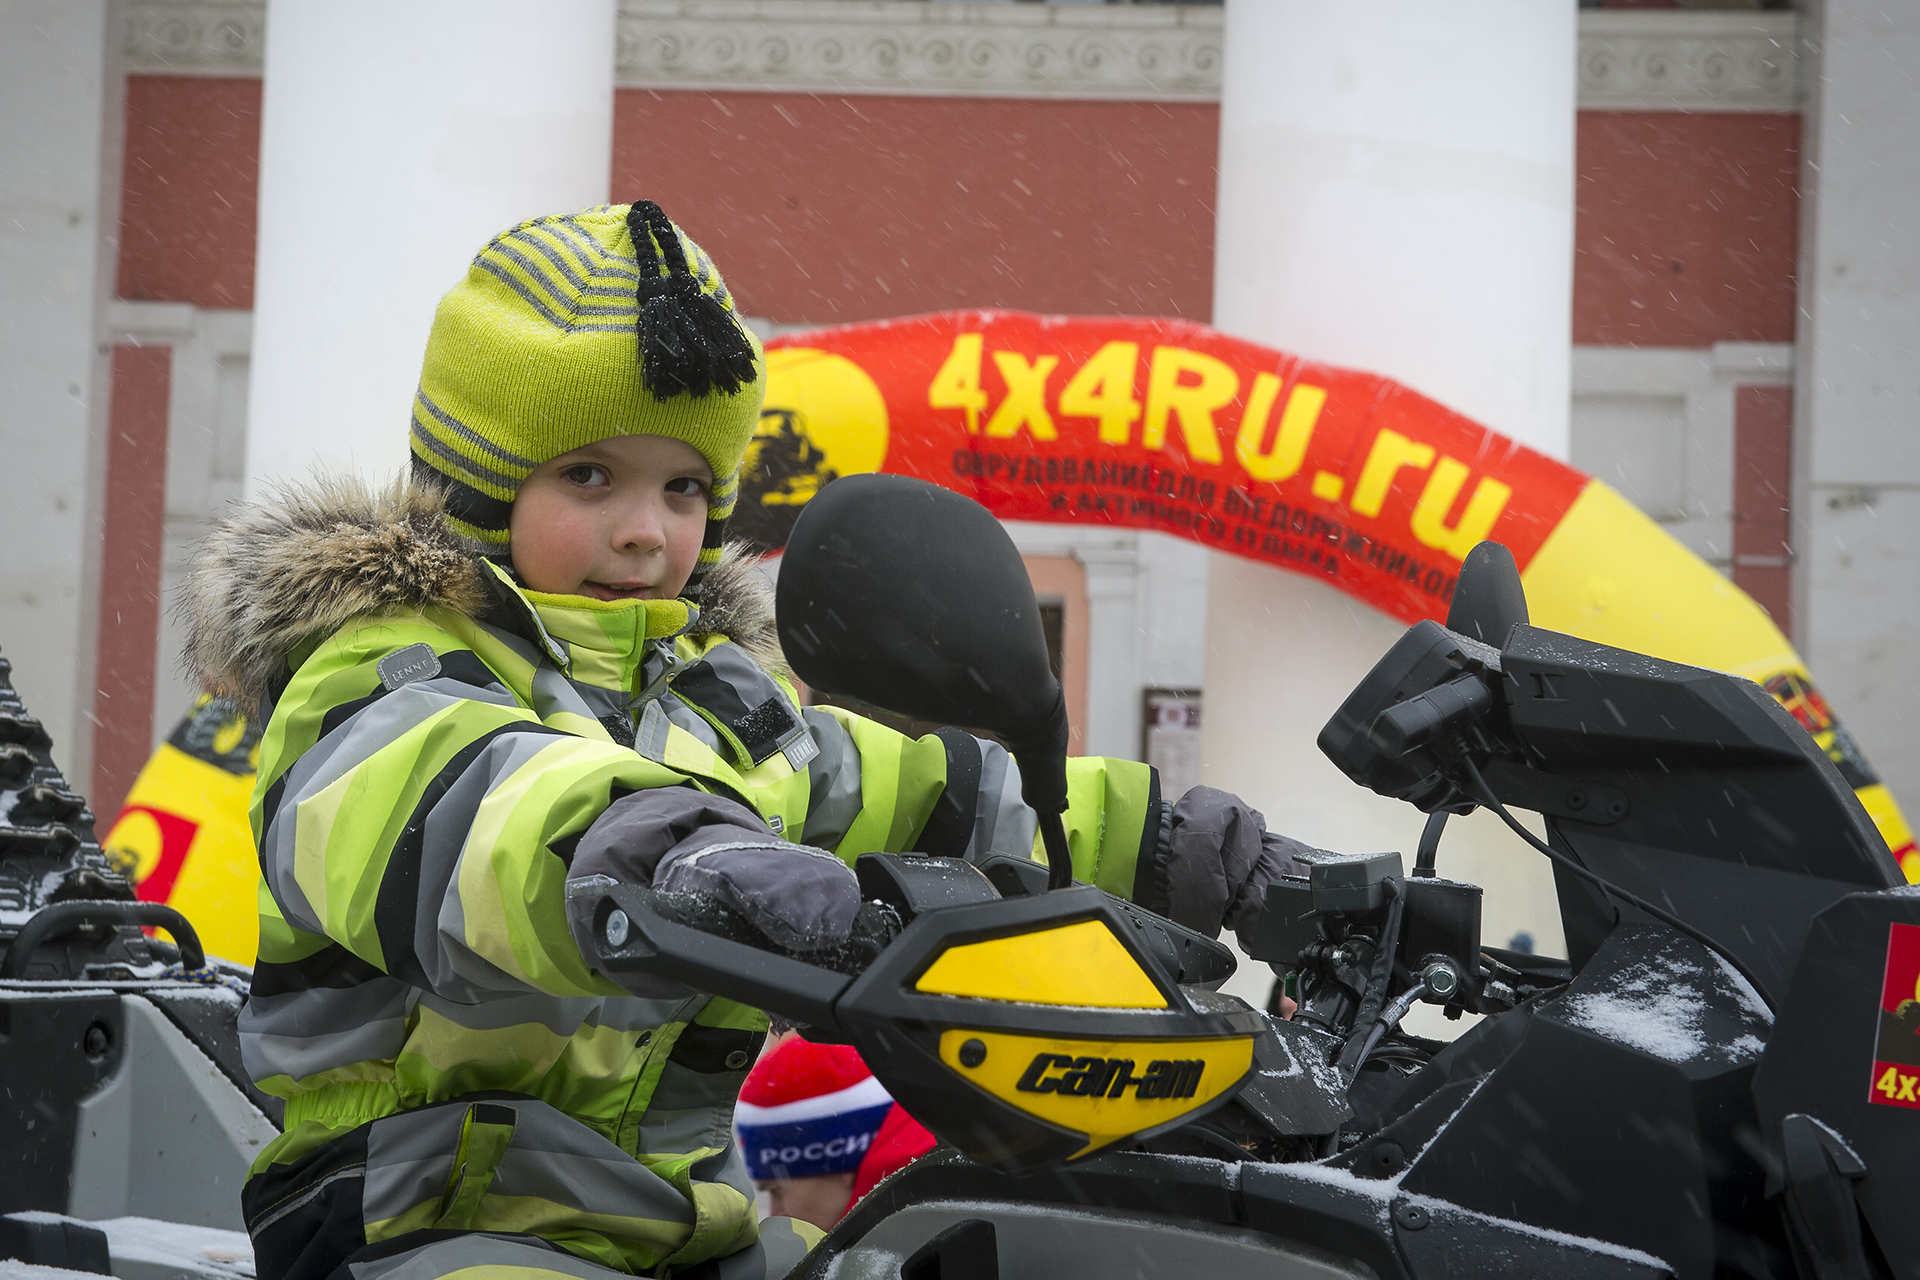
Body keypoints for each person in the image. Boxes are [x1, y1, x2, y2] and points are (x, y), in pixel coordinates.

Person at [185, 200, 1304, 1280]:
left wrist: (1185, 849)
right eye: (589, 475)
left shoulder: (718, 706)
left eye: (683, 487)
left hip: (685, 1229)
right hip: (421, 1219)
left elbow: (925, 795)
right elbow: (473, 815)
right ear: (478, 482)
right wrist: (665, 849)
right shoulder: (379, 675)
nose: (646, 530)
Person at [733, 1036, 937, 1232]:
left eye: (777, 1191)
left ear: (842, 1163)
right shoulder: (927, 1209)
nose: (776, 1214)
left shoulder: (914, 1238)